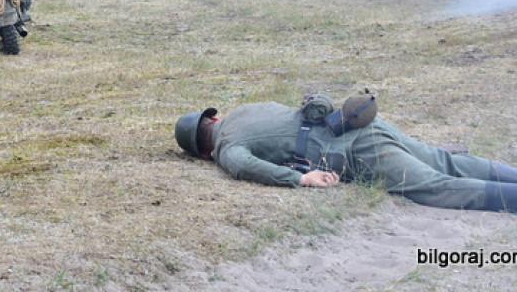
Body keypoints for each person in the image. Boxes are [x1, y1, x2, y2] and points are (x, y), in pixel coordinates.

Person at [175, 98, 517, 212]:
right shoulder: (247, 109)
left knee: (435, 186)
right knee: (447, 161)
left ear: (203, 153)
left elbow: (248, 167)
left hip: (360, 153)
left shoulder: (227, 150)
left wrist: (301, 178)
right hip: (364, 124)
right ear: (213, 118)